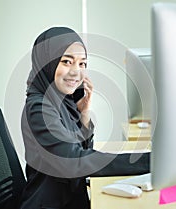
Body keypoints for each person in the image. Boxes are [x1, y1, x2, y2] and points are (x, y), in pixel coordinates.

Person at [19, 26, 150, 209]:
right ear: (46, 63)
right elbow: (74, 161)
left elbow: (82, 149)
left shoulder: (61, 101)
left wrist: (84, 114)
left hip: (68, 200)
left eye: (82, 64)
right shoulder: (40, 108)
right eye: (66, 62)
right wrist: (147, 161)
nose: (76, 72)